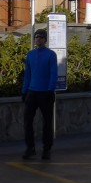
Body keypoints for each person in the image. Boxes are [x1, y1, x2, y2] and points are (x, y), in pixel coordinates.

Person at [21, 29, 58, 161]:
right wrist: (24, 91)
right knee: (27, 121)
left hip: (45, 93)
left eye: (41, 37)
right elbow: (27, 75)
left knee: (47, 122)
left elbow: (54, 73)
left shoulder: (50, 55)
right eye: (36, 37)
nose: (38, 39)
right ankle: (30, 147)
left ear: (45, 39)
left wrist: (50, 89)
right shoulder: (30, 54)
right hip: (32, 92)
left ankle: (47, 149)